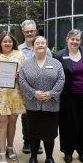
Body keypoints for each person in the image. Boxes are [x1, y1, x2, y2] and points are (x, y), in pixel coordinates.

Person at [19, 36, 65, 163]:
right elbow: (22, 81)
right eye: (37, 43)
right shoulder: (26, 64)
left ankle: (49, 158)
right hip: (33, 104)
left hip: (51, 104)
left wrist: (51, 93)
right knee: (33, 133)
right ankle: (33, 158)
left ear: (46, 46)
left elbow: (61, 80)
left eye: (43, 43)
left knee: (49, 133)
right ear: (33, 46)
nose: (40, 45)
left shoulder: (56, 63)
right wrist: (33, 93)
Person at [54, 29, 83, 163]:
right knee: (68, 124)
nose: (74, 42)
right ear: (67, 39)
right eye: (72, 39)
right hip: (68, 96)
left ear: (80, 41)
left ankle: (82, 151)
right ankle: (68, 151)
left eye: (77, 39)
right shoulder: (59, 55)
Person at [0, 31, 26, 163]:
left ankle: (10, 147)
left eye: (10, 41)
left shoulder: (20, 55)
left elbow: (26, 73)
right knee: (2, 123)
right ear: (0, 43)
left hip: (16, 94)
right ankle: (1, 153)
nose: (7, 43)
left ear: (13, 43)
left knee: (12, 121)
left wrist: (19, 76)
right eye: (5, 41)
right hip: (0, 95)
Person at [19, 20, 51, 154]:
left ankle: (38, 142)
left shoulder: (46, 49)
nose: (29, 33)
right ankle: (27, 141)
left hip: (42, 88)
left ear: (36, 31)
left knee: (41, 115)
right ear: (23, 32)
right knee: (26, 116)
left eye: (32, 31)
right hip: (25, 88)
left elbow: (51, 67)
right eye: (27, 31)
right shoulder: (19, 49)